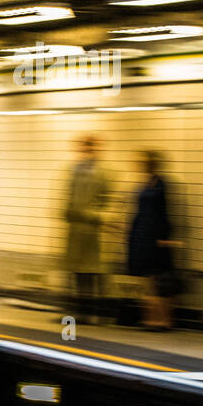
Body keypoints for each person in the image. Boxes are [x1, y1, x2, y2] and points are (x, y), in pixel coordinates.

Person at [126, 150, 181, 330]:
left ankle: (164, 319)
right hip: (142, 234)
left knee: (160, 278)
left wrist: (164, 237)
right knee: (148, 278)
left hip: (155, 236)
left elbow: (164, 213)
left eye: (145, 162)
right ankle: (151, 318)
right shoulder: (144, 183)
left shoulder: (161, 184)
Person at [63, 135, 112, 324]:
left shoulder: (105, 172)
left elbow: (110, 200)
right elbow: (68, 197)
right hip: (76, 230)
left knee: (95, 273)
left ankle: (98, 313)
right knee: (78, 273)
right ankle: (81, 312)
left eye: (89, 147)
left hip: (95, 231)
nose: (85, 151)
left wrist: (95, 216)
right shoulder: (73, 170)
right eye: (83, 147)